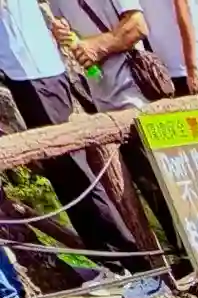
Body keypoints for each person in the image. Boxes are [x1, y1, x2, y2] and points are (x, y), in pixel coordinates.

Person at [0, 0, 159, 279]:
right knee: (63, 174)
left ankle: (128, 264)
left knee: (73, 170)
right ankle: (110, 262)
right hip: (21, 68)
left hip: (33, 69)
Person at [48, 0, 183, 254]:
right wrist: (63, 35)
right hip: (103, 99)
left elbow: (137, 25)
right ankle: (175, 254)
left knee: (167, 181)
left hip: (137, 94)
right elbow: (69, 35)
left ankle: (192, 252)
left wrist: (96, 47)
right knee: (147, 187)